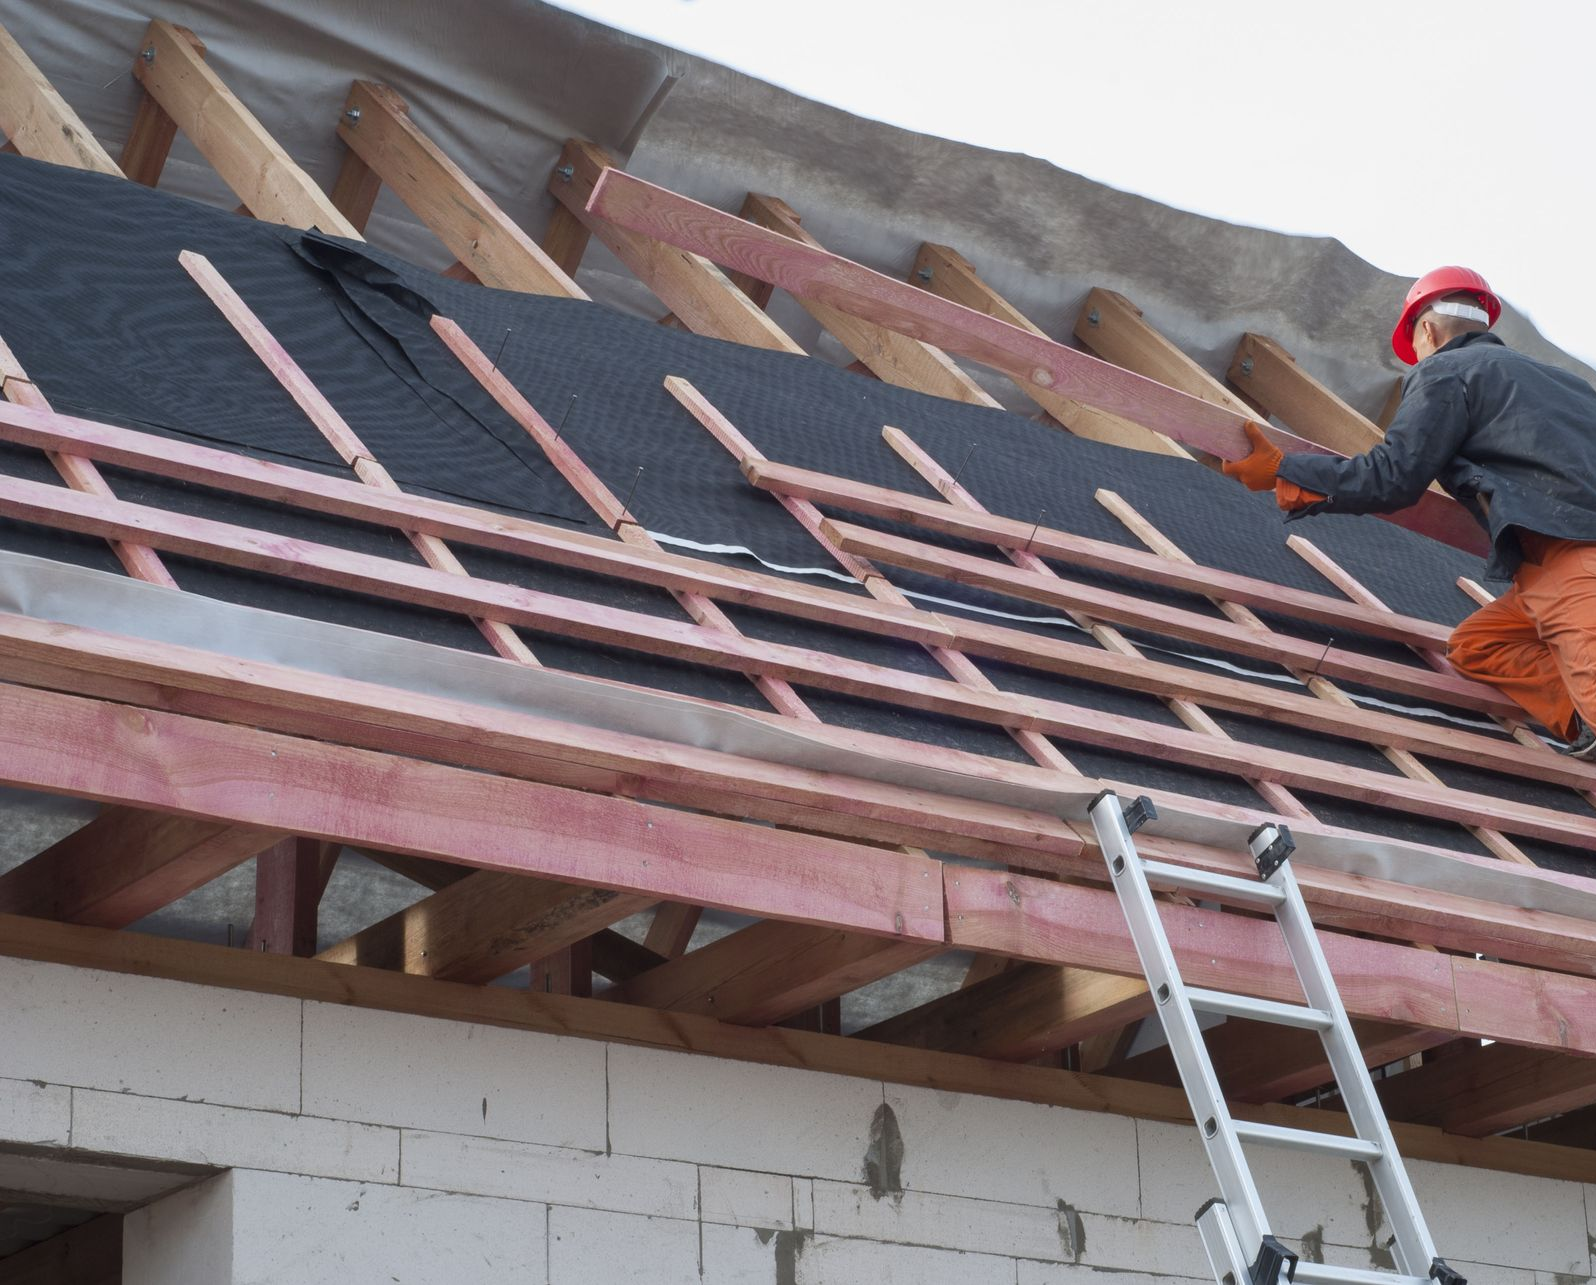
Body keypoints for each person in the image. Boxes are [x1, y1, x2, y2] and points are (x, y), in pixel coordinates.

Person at [1222, 266, 1596, 757]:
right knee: (1479, 646)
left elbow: (1394, 475)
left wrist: (1286, 471)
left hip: (1573, 558)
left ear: (1427, 329)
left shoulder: (1446, 371)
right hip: (1551, 565)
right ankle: (1582, 723)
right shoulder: (1572, 388)